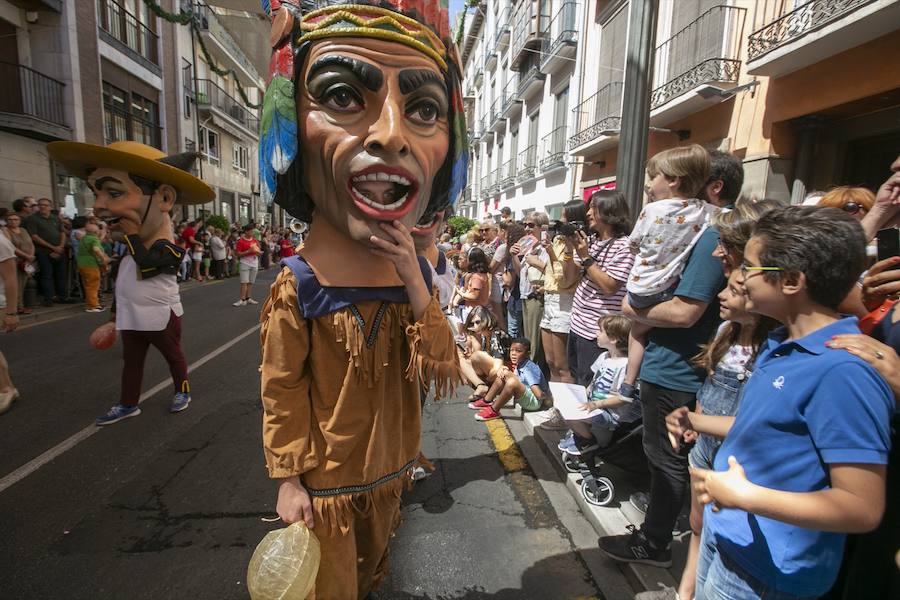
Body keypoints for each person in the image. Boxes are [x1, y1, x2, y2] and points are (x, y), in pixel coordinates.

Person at [257, 0, 465, 595]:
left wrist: (413, 275)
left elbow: (440, 365)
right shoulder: (297, 284)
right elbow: (281, 389)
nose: (392, 135)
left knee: (373, 580)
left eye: (425, 108)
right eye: (344, 97)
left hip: (390, 476)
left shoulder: (412, 276)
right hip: (327, 488)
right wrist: (291, 479)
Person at [686, 206, 893, 600]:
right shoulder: (782, 343)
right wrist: (696, 423)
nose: (738, 276)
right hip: (731, 537)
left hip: (767, 571)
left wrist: (746, 497)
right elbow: (757, 427)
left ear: (794, 281)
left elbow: (861, 507)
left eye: (749, 267)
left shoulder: (842, 371)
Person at [598, 170, 729, 568]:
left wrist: (633, 308)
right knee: (662, 458)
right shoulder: (698, 234)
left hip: (676, 373)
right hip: (666, 367)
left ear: (708, 189)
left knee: (667, 460)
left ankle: (653, 544)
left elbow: (685, 313)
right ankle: (659, 525)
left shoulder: (710, 237)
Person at [47, 140, 213, 425]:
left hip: (161, 317)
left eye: (113, 193)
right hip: (132, 318)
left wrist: (133, 236)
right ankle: (127, 403)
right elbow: (124, 288)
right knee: (132, 363)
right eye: (96, 193)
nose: (99, 207)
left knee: (174, 357)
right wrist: (114, 318)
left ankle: (182, 391)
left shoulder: (170, 249)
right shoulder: (127, 253)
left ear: (164, 198)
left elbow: (148, 265)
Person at [650, 268, 778, 600]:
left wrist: (697, 421)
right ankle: (686, 590)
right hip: (705, 444)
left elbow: (752, 418)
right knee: (697, 523)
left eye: (735, 290)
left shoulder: (770, 349)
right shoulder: (724, 331)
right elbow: (709, 383)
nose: (722, 295)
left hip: (735, 453)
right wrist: (698, 420)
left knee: (719, 526)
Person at [619, 144, 716, 400]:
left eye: (653, 177)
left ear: (673, 180)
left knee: (637, 331)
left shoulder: (651, 210)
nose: (648, 185)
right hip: (670, 287)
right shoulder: (706, 212)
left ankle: (628, 383)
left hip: (641, 289)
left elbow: (633, 244)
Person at [568, 191, 634, 386]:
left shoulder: (625, 246)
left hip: (597, 331)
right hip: (577, 324)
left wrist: (586, 258)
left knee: (592, 385)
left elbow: (609, 286)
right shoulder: (591, 241)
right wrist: (570, 252)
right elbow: (571, 277)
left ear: (609, 212)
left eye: (593, 208)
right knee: (577, 378)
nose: (588, 213)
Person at [557, 314, 637, 455]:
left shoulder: (625, 365)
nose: (596, 334)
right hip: (594, 405)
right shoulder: (604, 357)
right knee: (562, 404)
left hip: (610, 415)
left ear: (613, 339)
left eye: (600, 331)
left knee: (571, 413)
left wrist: (595, 405)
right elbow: (594, 382)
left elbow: (623, 398)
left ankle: (588, 440)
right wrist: (582, 395)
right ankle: (580, 435)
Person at [540, 200, 585, 384]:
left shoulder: (578, 243)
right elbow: (552, 273)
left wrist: (553, 252)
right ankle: (555, 406)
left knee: (562, 365)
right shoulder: (558, 239)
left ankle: (566, 410)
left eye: (565, 215)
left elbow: (565, 279)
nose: (561, 220)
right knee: (550, 362)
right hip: (550, 299)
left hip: (565, 302)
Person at [467, 349, 542, 421]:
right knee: (503, 373)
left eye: (518, 351)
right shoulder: (520, 364)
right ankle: (487, 400)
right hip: (526, 395)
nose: (513, 354)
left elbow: (538, 393)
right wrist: (502, 368)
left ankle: (494, 410)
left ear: (527, 354)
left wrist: (546, 398)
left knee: (512, 382)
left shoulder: (529, 368)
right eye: (512, 350)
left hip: (533, 403)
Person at [24, 197, 71, 306]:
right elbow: (34, 237)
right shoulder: (33, 219)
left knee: (61, 274)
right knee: (47, 274)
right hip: (43, 251)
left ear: (50, 207)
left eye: (45, 205)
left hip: (59, 250)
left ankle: (63, 296)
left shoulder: (56, 218)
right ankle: (48, 298)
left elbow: (62, 233)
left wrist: (60, 247)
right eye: (40, 204)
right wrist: (53, 247)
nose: (42, 207)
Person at [0, 229, 20, 414]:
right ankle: (7, 388)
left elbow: (11, 278)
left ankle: (6, 389)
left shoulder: (1, 242)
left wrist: (12, 312)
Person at [3, 213, 36, 315]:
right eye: (10, 219)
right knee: (16, 284)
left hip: (26, 261)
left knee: (24, 283)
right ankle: (16, 307)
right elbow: (11, 246)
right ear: (7, 221)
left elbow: (31, 244)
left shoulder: (23, 230)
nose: (13, 221)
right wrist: (27, 256)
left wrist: (30, 256)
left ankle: (20, 305)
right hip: (14, 260)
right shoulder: (5, 230)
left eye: (16, 219)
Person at [76, 222, 109, 312]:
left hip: (81, 264)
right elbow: (96, 249)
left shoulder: (84, 238)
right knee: (93, 285)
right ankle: (93, 306)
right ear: (96, 232)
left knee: (87, 285)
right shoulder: (94, 239)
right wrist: (103, 259)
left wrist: (103, 233)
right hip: (91, 264)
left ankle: (90, 303)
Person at [233, 225, 260, 306]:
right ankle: (242, 299)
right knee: (244, 282)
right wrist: (248, 251)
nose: (252, 233)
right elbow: (238, 254)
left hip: (254, 262)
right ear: (246, 231)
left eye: (253, 231)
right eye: (251, 231)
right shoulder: (240, 241)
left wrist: (258, 252)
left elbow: (259, 251)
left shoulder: (255, 240)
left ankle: (248, 298)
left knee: (251, 282)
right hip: (245, 263)